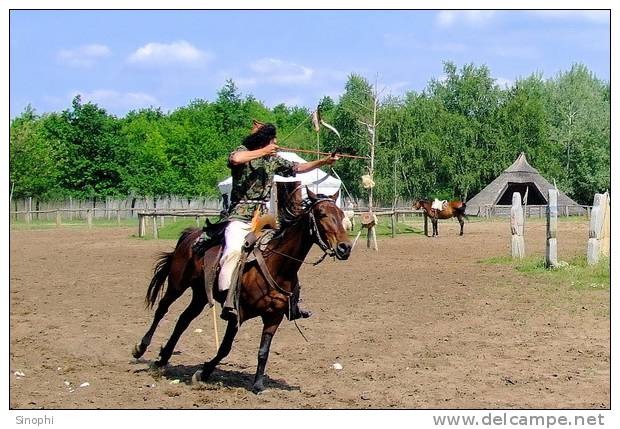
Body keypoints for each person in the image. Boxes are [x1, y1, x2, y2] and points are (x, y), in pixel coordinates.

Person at [219, 122, 339, 321]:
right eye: (273, 140)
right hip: (239, 216)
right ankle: (228, 299)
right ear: (265, 140)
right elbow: (236, 159)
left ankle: (292, 302)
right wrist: (264, 151)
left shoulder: (273, 160)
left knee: (285, 252)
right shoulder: (244, 151)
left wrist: (324, 161)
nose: (276, 144)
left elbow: (298, 168)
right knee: (232, 251)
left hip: (263, 218)